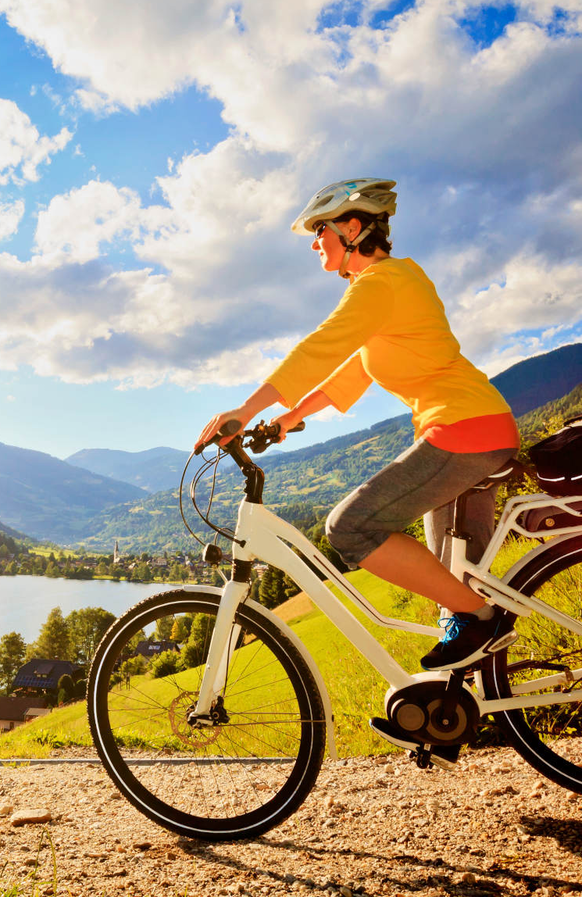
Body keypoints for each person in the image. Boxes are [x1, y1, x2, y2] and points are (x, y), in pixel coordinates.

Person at [195, 177, 520, 764]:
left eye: (319, 231)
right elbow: (352, 371)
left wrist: (245, 411)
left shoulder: (382, 283)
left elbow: (324, 344)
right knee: (449, 581)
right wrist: (288, 418)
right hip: (471, 428)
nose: (314, 243)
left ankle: (484, 620)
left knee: (350, 528)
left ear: (351, 229)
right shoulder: (395, 287)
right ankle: (445, 716)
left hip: (463, 431)